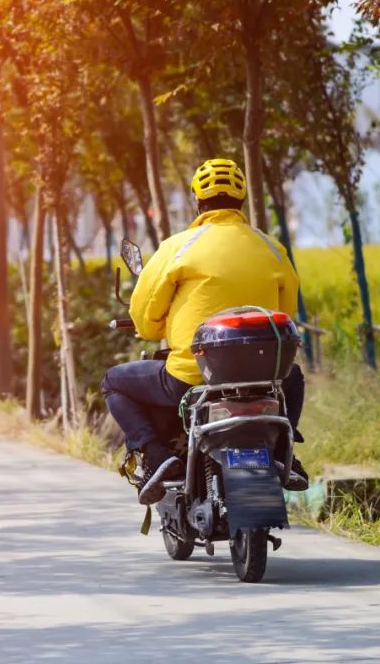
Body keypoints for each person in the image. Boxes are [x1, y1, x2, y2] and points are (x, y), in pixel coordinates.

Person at [102, 158, 309, 505]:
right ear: (241, 201)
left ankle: (157, 457)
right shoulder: (273, 248)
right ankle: (283, 452)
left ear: (198, 202)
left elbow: (144, 315)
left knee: (113, 381)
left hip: (192, 378)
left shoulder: (177, 247)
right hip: (266, 378)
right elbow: (284, 313)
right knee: (295, 376)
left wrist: (154, 328)